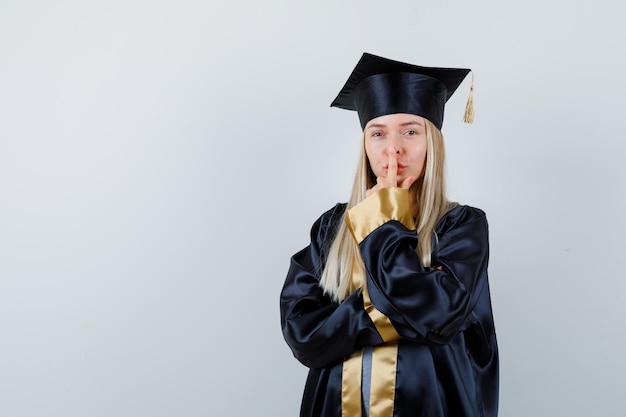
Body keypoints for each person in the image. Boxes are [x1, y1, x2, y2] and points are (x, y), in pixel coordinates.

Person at [280, 52, 498, 417]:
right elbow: (304, 337)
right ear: (364, 144)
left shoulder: (461, 226)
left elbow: (438, 317)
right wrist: (393, 309)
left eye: (410, 131)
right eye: (377, 133)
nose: (392, 148)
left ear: (433, 143)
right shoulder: (332, 227)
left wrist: (381, 220)